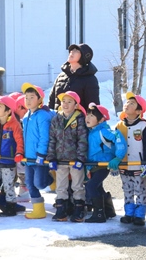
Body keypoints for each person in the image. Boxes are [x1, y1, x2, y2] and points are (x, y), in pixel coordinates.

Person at [47, 91, 88, 222]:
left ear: (76, 105)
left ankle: (79, 209)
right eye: (63, 101)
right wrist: (51, 157)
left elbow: (82, 140)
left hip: (75, 160)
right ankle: (61, 209)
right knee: (61, 185)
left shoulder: (79, 119)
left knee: (77, 185)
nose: (65, 104)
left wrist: (81, 158)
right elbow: (52, 139)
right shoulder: (56, 119)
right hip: (60, 159)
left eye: (69, 102)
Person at [85, 103, 127, 223]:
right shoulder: (91, 131)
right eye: (87, 115)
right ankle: (109, 210)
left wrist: (117, 158)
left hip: (103, 165)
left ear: (101, 119)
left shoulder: (104, 131)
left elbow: (119, 140)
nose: (88, 118)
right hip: (93, 165)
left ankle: (99, 214)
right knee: (98, 187)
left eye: (92, 115)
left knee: (91, 186)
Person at [115, 92, 146, 226]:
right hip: (124, 165)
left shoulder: (143, 126)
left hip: (138, 165)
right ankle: (128, 213)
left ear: (138, 110)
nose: (127, 105)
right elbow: (115, 145)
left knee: (140, 189)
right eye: (127, 102)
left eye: (132, 103)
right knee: (127, 189)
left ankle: (140, 214)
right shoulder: (119, 125)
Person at [21, 83, 55, 219]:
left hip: (39, 156)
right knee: (29, 183)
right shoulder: (26, 116)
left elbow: (44, 137)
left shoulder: (42, 116)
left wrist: (41, 154)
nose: (28, 100)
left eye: (32, 97)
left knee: (39, 183)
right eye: (26, 97)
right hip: (29, 157)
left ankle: (52, 180)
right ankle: (38, 209)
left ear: (40, 99)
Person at [48, 43, 99, 112]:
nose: (72, 52)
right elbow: (51, 101)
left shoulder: (90, 79)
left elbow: (93, 107)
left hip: (78, 121)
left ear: (84, 57)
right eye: (72, 50)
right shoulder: (61, 76)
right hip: (58, 120)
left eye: (76, 51)